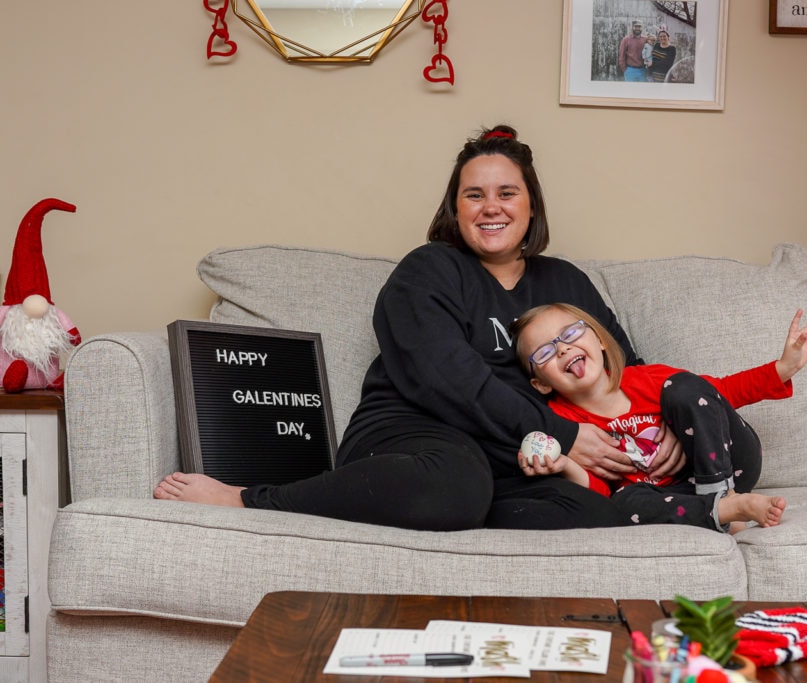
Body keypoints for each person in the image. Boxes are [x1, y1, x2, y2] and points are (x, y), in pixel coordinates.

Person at [154, 124, 685, 531]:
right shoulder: (428, 269)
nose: (491, 207)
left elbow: (628, 368)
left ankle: (470, 505)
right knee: (454, 483)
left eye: (507, 192)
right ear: (456, 209)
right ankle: (249, 500)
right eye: (474, 195)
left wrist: (662, 431)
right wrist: (565, 434)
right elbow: (445, 377)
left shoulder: (565, 281)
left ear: (531, 205)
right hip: (413, 434)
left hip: (516, 458)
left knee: (593, 511)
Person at [510, 302, 807, 532]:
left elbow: (720, 392)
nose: (563, 348)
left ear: (601, 341)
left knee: (684, 387)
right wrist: (565, 466)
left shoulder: (646, 379)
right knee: (620, 504)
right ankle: (726, 510)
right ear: (541, 383)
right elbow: (601, 490)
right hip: (673, 495)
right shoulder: (563, 423)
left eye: (569, 334)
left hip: (729, 465)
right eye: (545, 353)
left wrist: (785, 367)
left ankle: (721, 496)